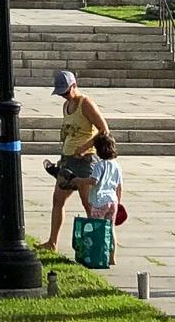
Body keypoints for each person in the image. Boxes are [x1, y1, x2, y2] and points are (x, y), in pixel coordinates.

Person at [44, 69, 110, 253]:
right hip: (68, 160)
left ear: (74, 85)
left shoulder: (85, 104)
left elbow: (104, 130)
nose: (64, 96)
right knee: (58, 199)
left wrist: (84, 147)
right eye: (61, 93)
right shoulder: (66, 106)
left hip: (86, 160)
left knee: (88, 203)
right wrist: (63, 156)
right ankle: (52, 242)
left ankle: (97, 244)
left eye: (66, 91)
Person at [77, 133, 124, 267]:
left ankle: (96, 256)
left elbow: (93, 180)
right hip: (113, 201)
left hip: (99, 202)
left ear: (97, 150)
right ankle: (112, 257)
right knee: (110, 229)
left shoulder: (99, 166)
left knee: (96, 230)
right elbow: (120, 186)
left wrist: (79, 180)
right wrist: (118, 202)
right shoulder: (116, 166)